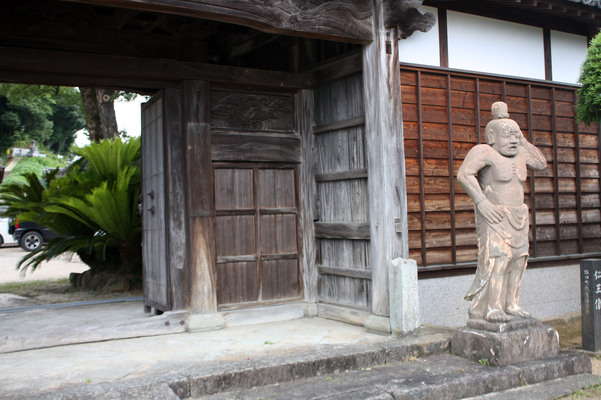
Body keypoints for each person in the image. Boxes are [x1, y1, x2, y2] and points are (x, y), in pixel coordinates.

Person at [457, 102, 547, 323]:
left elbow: (541, 163)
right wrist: (481, 202)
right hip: (495, 214)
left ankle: (511, 303)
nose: (513, 140)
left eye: (516, 135)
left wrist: (522, 140)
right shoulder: (484, 152)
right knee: (499, 259)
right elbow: (464, 174)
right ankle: (493, 307)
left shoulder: (521, 153)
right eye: (508, 135)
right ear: (492, 136)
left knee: (519, 259)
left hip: (519, 214)